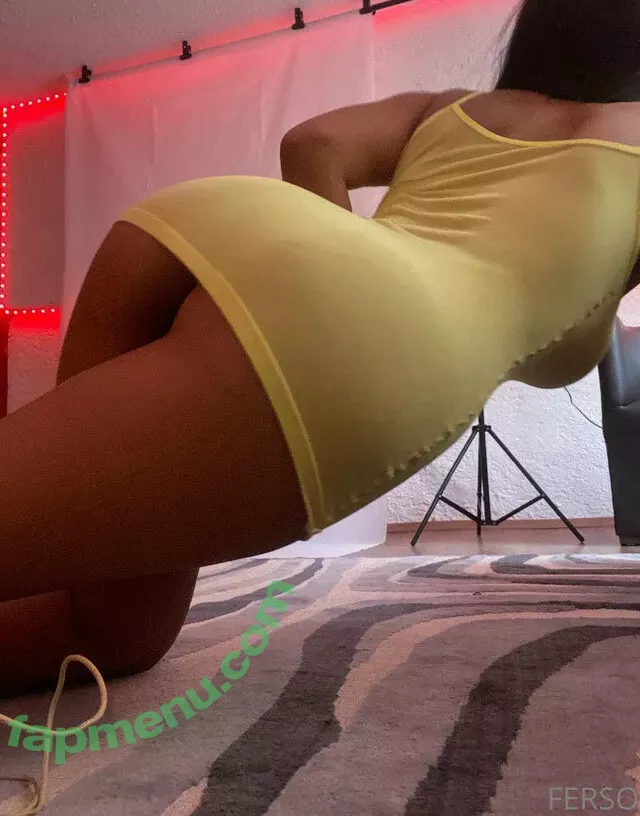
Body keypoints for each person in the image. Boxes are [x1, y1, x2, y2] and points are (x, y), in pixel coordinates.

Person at [0, 0, 639, 698]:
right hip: (354, 324)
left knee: (111, 633)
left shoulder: (450, 109)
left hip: (191, 226)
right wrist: (337, 302)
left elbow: (313, 142)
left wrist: (327, 262)